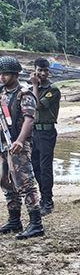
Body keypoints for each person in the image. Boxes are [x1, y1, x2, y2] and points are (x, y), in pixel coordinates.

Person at [0, 56, 45, 239]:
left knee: (25, 183)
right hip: (3, 144)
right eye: (0, 74)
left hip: (18, 144)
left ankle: (36, 224)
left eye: (5, 74)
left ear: (15, 74)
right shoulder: (2, 93)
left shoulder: (24, 94)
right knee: (5, 182)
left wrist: (19, 141)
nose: (2, 77)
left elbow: (29, 119)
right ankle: (14, 220)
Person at [29, 58, 60, 216]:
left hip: (47, 133)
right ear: (34, 70)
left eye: (45, 70)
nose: (43, 73)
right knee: (35, 166)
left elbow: (37, 105)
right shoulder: (30, 89)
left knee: (45, 167)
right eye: (40, 70)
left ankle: (47, 200)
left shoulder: (52, 90)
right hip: (33, 132)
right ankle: (43, 196)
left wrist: (35, 86)